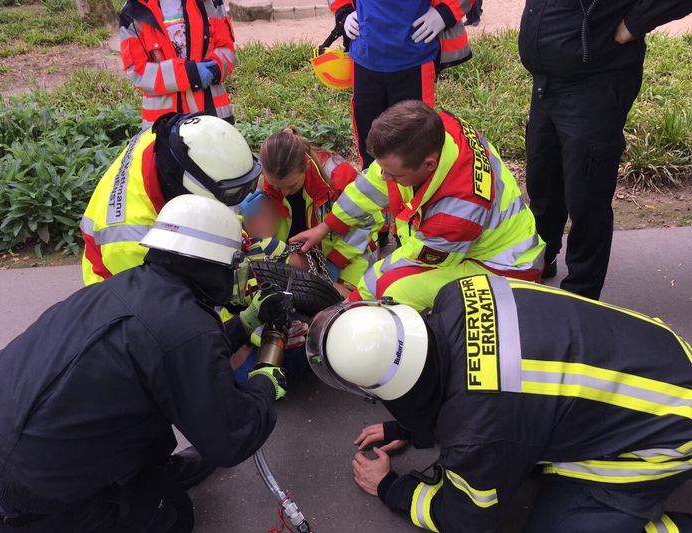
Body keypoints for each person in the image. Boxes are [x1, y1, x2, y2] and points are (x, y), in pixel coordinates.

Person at [0, 195, 290, 532]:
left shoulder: (127, 287)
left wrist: (244, 322)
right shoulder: (184, 325)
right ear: (215, 265)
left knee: (141, 406)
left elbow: (172, 356)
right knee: (173, 515)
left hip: (2, 448)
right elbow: (231, 438)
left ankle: (144, 476)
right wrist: (265, 381)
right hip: (35, 500)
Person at [307, 273, 692, 533]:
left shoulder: (481, 432)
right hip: (664, 357)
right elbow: (453, 367)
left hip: (668, 433)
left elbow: (465, 518)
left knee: (556, 525)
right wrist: (409, 427)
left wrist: (392, 488)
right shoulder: (458, 292)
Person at [292, 100, 544, 313]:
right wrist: (326, 226)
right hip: (476, 245)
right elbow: (371, 185)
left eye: (394, 174)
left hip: (506, 271)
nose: (384, 177)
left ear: (429, 165)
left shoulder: (457, 211)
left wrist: (352, 305)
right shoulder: (436, 130)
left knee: (392, 289)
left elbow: (409, 263)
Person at [519, 0, 692, 300]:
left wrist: (634, 24)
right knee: (543, 183)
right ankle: (539, 261)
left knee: (586, 197)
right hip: (546, 84)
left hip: (595, 83)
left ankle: (581, 294)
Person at [81, 111, 262, 286]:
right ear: (187, 193)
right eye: (231, 197)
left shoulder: (170, 140)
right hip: (123, 298)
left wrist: (242, 232)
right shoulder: (133, 240)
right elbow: (175, 303)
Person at [328, 0, 474, 168]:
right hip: (365, 55)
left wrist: (445, 13)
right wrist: (343, 12)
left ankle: (413, 191)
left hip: (415, 57)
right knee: (369, 143)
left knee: (414, 143)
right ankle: (373, 185)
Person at [259, 126, 380, 290]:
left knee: (343, 305)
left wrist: (335, 262)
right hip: (307, 258)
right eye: (277, 186)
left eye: (292, 185)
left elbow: (370, 221)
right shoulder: (269, 181)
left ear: (307, 165)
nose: (285, 192)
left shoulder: (338, 176)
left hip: (351, 254)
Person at [119, 0, 236, 129]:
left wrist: (215, 67)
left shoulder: (210, 2)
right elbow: (138, 71)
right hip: (164, 125)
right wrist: (190, 74)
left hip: (214, 114)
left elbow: (227, 48)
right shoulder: (133, 11)